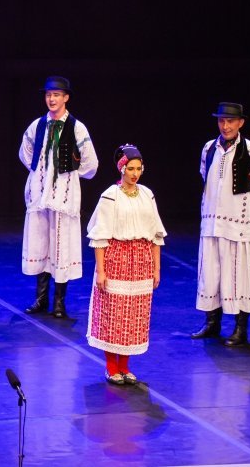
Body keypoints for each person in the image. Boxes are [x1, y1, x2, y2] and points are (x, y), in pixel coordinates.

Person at [191, 103, 250, 346]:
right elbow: (205, 175)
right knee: (210, 273)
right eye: (221, 121)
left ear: (240, 123)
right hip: (212, 221)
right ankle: (212, 323)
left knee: (238, 274)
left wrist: (247, 196)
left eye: (230, 121)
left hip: (237, 223)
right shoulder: (209, 148)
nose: (225, 126)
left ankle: (240, 328)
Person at [86, 145, 166, 385]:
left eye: (138, 169)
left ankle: (125, 365)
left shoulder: (147, 195)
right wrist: (101, 270)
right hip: (117, 257)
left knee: (134, 314)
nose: (135, 173)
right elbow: (99, 236)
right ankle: (112, 366)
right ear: (121, 168)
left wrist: (156, 267)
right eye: (130, 168)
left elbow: (155, 235)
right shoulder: (110, 196)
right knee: (114, 314)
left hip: (140, 259)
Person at [19, 76, 99, 318]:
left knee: (61, 245)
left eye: (56, 95)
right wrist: (41, 174)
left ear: (66, 98)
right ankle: (41, 299)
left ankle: (59, 303)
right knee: (42, 242)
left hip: (64, 198)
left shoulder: (76, 127)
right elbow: (25, 152)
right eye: (48, 95)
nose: (51, 99)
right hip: (39, 196)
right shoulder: (38, 125)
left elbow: (90, 163)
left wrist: (67, 177)